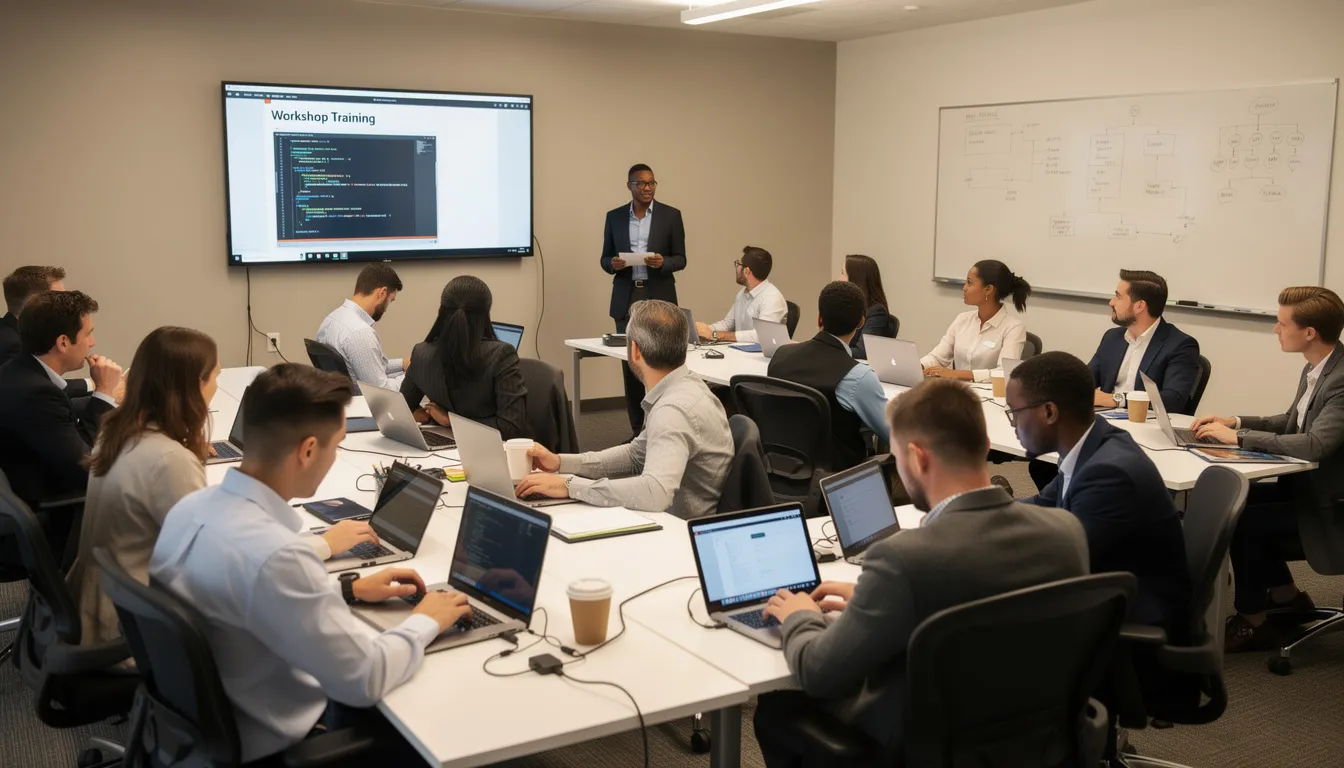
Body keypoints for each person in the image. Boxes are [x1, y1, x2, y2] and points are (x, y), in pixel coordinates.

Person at [752, 379, 1087, 766]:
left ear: (918, 457)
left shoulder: (903, 560)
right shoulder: (1067, 532)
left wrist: (801, 617)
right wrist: (871, 599)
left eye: (895, 457)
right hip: (1034, 742)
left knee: (776, 708)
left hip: (922, 746)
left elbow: (818, 673)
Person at [149, 364, 470, 762]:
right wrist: (427, 620)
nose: (335, 457)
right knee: (432, 701)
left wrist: (346, 588)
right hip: (270, 742)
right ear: (308, 450)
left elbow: (244, 595)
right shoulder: (278, 557)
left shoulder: (189, 509)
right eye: (335, 445)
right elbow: (365, 679)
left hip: (195, 732)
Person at [67, 329, 381, 656]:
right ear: (193, 386)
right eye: (215, 376)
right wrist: (330, 554)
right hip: (135, 634)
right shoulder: (169, 461)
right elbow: (229, 565)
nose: (216, 387)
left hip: (111, 606)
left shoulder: (119, 430)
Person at [1191, 287, 1344, 652]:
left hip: (1332, 507)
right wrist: (1235, 420)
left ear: (1309, 332)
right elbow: (1293, 421)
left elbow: (1315, 444)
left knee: (1244, 522)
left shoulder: (1340, 380)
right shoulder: (1319, 366)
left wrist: (1239, 437)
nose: (1275, 329)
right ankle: (1286, 597)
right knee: (1239, 502)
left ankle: (1254, 620)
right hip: (1309, 490)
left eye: (1281, 323)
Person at [1010, 351, 1192, 638]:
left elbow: (1068, 567)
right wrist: (976, 517)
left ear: (1049, 412)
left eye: (1015, 413)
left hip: (1131, 626)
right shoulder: (1092, 442)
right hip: (1106, 593)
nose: (1013, 424)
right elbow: (1040, 504)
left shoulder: (1108, 474)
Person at [516, 299, 733, 519]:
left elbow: (655, 493)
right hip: (674, 519)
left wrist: (569, 486)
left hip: (677, 531)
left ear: (635, 350)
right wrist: (560, 463)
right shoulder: (684, 386)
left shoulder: (672, 411)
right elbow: (636, 456)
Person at [0, 290, 122, 519]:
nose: (93, 343)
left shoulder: (20, 371)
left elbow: (65, 424)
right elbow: (87, 469)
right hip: (58, 512)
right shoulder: (36, 393)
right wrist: (104, 392)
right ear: (63, 342)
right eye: (89, 334)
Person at [601, 163, 687, 433]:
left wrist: (663, 262)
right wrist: (611, 264)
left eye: (652, 183)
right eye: (642, 183)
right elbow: (604, 257)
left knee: (661, 366)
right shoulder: (614, 217)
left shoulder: (671, 216)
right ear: (630, 186)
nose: (648, 188)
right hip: (627, 296)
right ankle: (637, 432)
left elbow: (681, 258)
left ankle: (663, 428)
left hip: (658, 296)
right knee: (632, 368)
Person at [768, 281, 891, 467]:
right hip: (834, 481)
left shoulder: (780, 356)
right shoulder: (858, 376)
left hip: (776, 469)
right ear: (861, 322)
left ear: (819, 319)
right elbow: (894, 435)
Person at [401, 276, 529, 440]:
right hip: (486, 451)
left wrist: (450, 421)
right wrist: (435, 417)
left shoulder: (421, 352)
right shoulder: (501, 354)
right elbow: (510, 427)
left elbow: (511, 428)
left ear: (441, 311)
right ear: (485, 314)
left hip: (455, 448)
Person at [1089, 270, 1200, 414]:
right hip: (1105, 419)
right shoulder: (1112, 338)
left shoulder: (1181, 345)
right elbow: (1085, 379)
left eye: (1118, 297)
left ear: (1139, 306)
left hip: (1145, 425)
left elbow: (1173, 400)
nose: (1112, 302)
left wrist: (1117, 399)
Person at [921, 259, 1030, 382]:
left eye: (969, 283)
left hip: (990, 397)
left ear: (988, 289)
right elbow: (938, 357)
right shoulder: (962, 319)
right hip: (958, 392)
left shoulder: (1013, 328)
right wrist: (920, 366)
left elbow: (1003, 373)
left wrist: (958, 374)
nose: (964, 288)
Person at [1, 265, 90, 396]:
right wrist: (98, 384)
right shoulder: (13, 344)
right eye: (58, 298)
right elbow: (42, 391)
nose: (67, 304)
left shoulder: (9, 330)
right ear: (35, 303)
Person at [316, 263, 406, 390]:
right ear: (382, 293)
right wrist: (412, 375)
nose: (386, 309)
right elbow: (382, 391)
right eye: (390, 300)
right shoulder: (360, 333)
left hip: (340, 400)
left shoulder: (331, 319)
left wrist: (403, 364)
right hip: (363, 405)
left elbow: (371, 366)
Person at [695, 246, 788, 344]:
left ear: (746, 271)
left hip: (760, 357)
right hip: (740, 353)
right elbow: (727, 324)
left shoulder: (772, 298)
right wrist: (704, 330)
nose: (736, 268)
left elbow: (762, 336)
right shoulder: (742, 293)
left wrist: (715, 334)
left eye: (738, 264)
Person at [840, 254, 892, 360]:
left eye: (842, 273)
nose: (839, 278)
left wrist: (828, 350)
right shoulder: (845, 306)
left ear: (856, 279)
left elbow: (862, 352)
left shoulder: (876, 312)